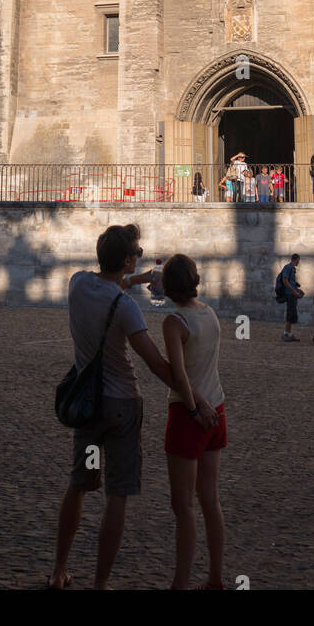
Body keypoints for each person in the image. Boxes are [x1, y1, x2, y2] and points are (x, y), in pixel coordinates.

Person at [48, 223, 216, 591]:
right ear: (126, 260)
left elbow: (109, 283)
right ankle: (101, 583)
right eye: (135, 255)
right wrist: (197, 400)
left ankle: (59, 570)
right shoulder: (125, 309)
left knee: (78, 485)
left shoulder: (77, 284)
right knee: (117, 494)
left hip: (88, 408)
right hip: (121, 408)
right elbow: (157, 365)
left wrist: (138, 278)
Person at [161, 254, 227, 591]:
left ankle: (180, 583)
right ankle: (215, 577)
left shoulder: (174, 322)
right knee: (210, 499)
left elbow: (179, 375)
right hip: (217, 408)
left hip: (189, 415)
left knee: (183, 504)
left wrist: (191, 409)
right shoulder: (210, 313)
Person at [278, 253, 304, 342]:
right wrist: (294, 291)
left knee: (291, 313)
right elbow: (285, 281)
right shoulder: (288, 267)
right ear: (296, 259)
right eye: (298, 260)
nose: (299, 262)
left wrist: (297, 289)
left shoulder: (292, 268)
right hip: (290, 294)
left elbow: (290, 281)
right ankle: (286, 334)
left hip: (292, 294)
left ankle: (288, 333)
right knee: (290, 313)